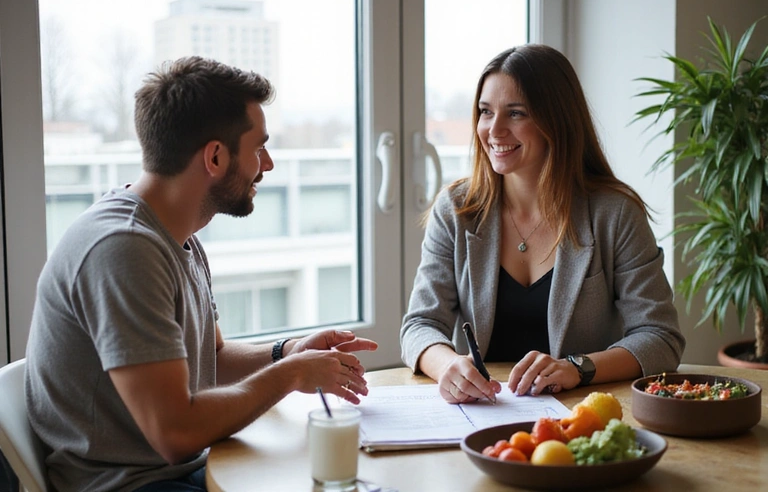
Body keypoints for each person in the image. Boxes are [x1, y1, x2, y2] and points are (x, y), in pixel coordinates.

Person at [25, 56, 378, 492]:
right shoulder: (123, 250)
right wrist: (291, 375)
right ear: (214, 156)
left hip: (180, 472)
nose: (266, 165)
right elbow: (176, 435)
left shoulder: (179, 236)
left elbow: (212, 361)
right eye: (259, 148)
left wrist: (287, 352)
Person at [400, 44, 685, 405]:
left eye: (516, 113)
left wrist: (577, 367)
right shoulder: (456, 209)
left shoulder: (615, 213)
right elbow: (419, 326)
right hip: (483, 411)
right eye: (486, 112)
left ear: (557, 120)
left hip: (583, 417)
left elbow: (660, 337)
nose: (494, 130)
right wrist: (447, 366)